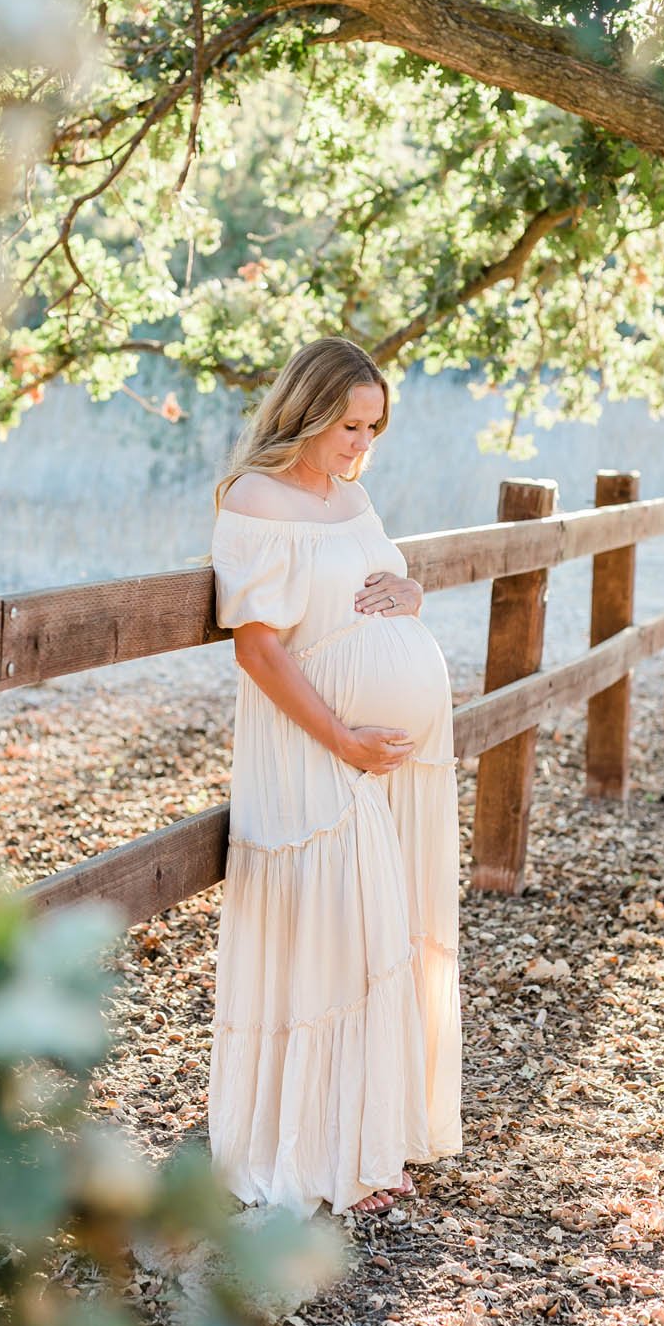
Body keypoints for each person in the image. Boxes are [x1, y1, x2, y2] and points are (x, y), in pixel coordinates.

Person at [209, 337, 462, 1217]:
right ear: (308, 412)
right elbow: (259, 648)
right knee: (338, 944)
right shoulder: (255, 497)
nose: (361, 444)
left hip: (384, 762)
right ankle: (320, 1154)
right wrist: (344, 741)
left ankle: (370, 1136)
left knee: (382, 942)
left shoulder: (349, 495)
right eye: (349, 425)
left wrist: (412, 595)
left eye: (373, 427)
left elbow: (375, 583)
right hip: (310, 751)